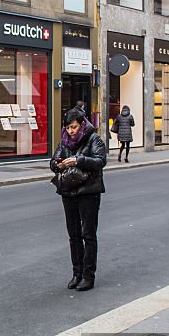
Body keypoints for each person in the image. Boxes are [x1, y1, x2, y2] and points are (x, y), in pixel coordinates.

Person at [50, 107, 107, 292]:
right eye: (67, 128)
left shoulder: (93, 138)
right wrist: (58, 163)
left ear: (82, 124)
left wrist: (78, 160)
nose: (70, 131)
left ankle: (88, 276)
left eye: (73, 127)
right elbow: (52, 162)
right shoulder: (64, 142)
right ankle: (77, 273)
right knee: (73, 235)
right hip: (68, 191)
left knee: (88, 234)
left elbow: (100, 161)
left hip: (89, 192)